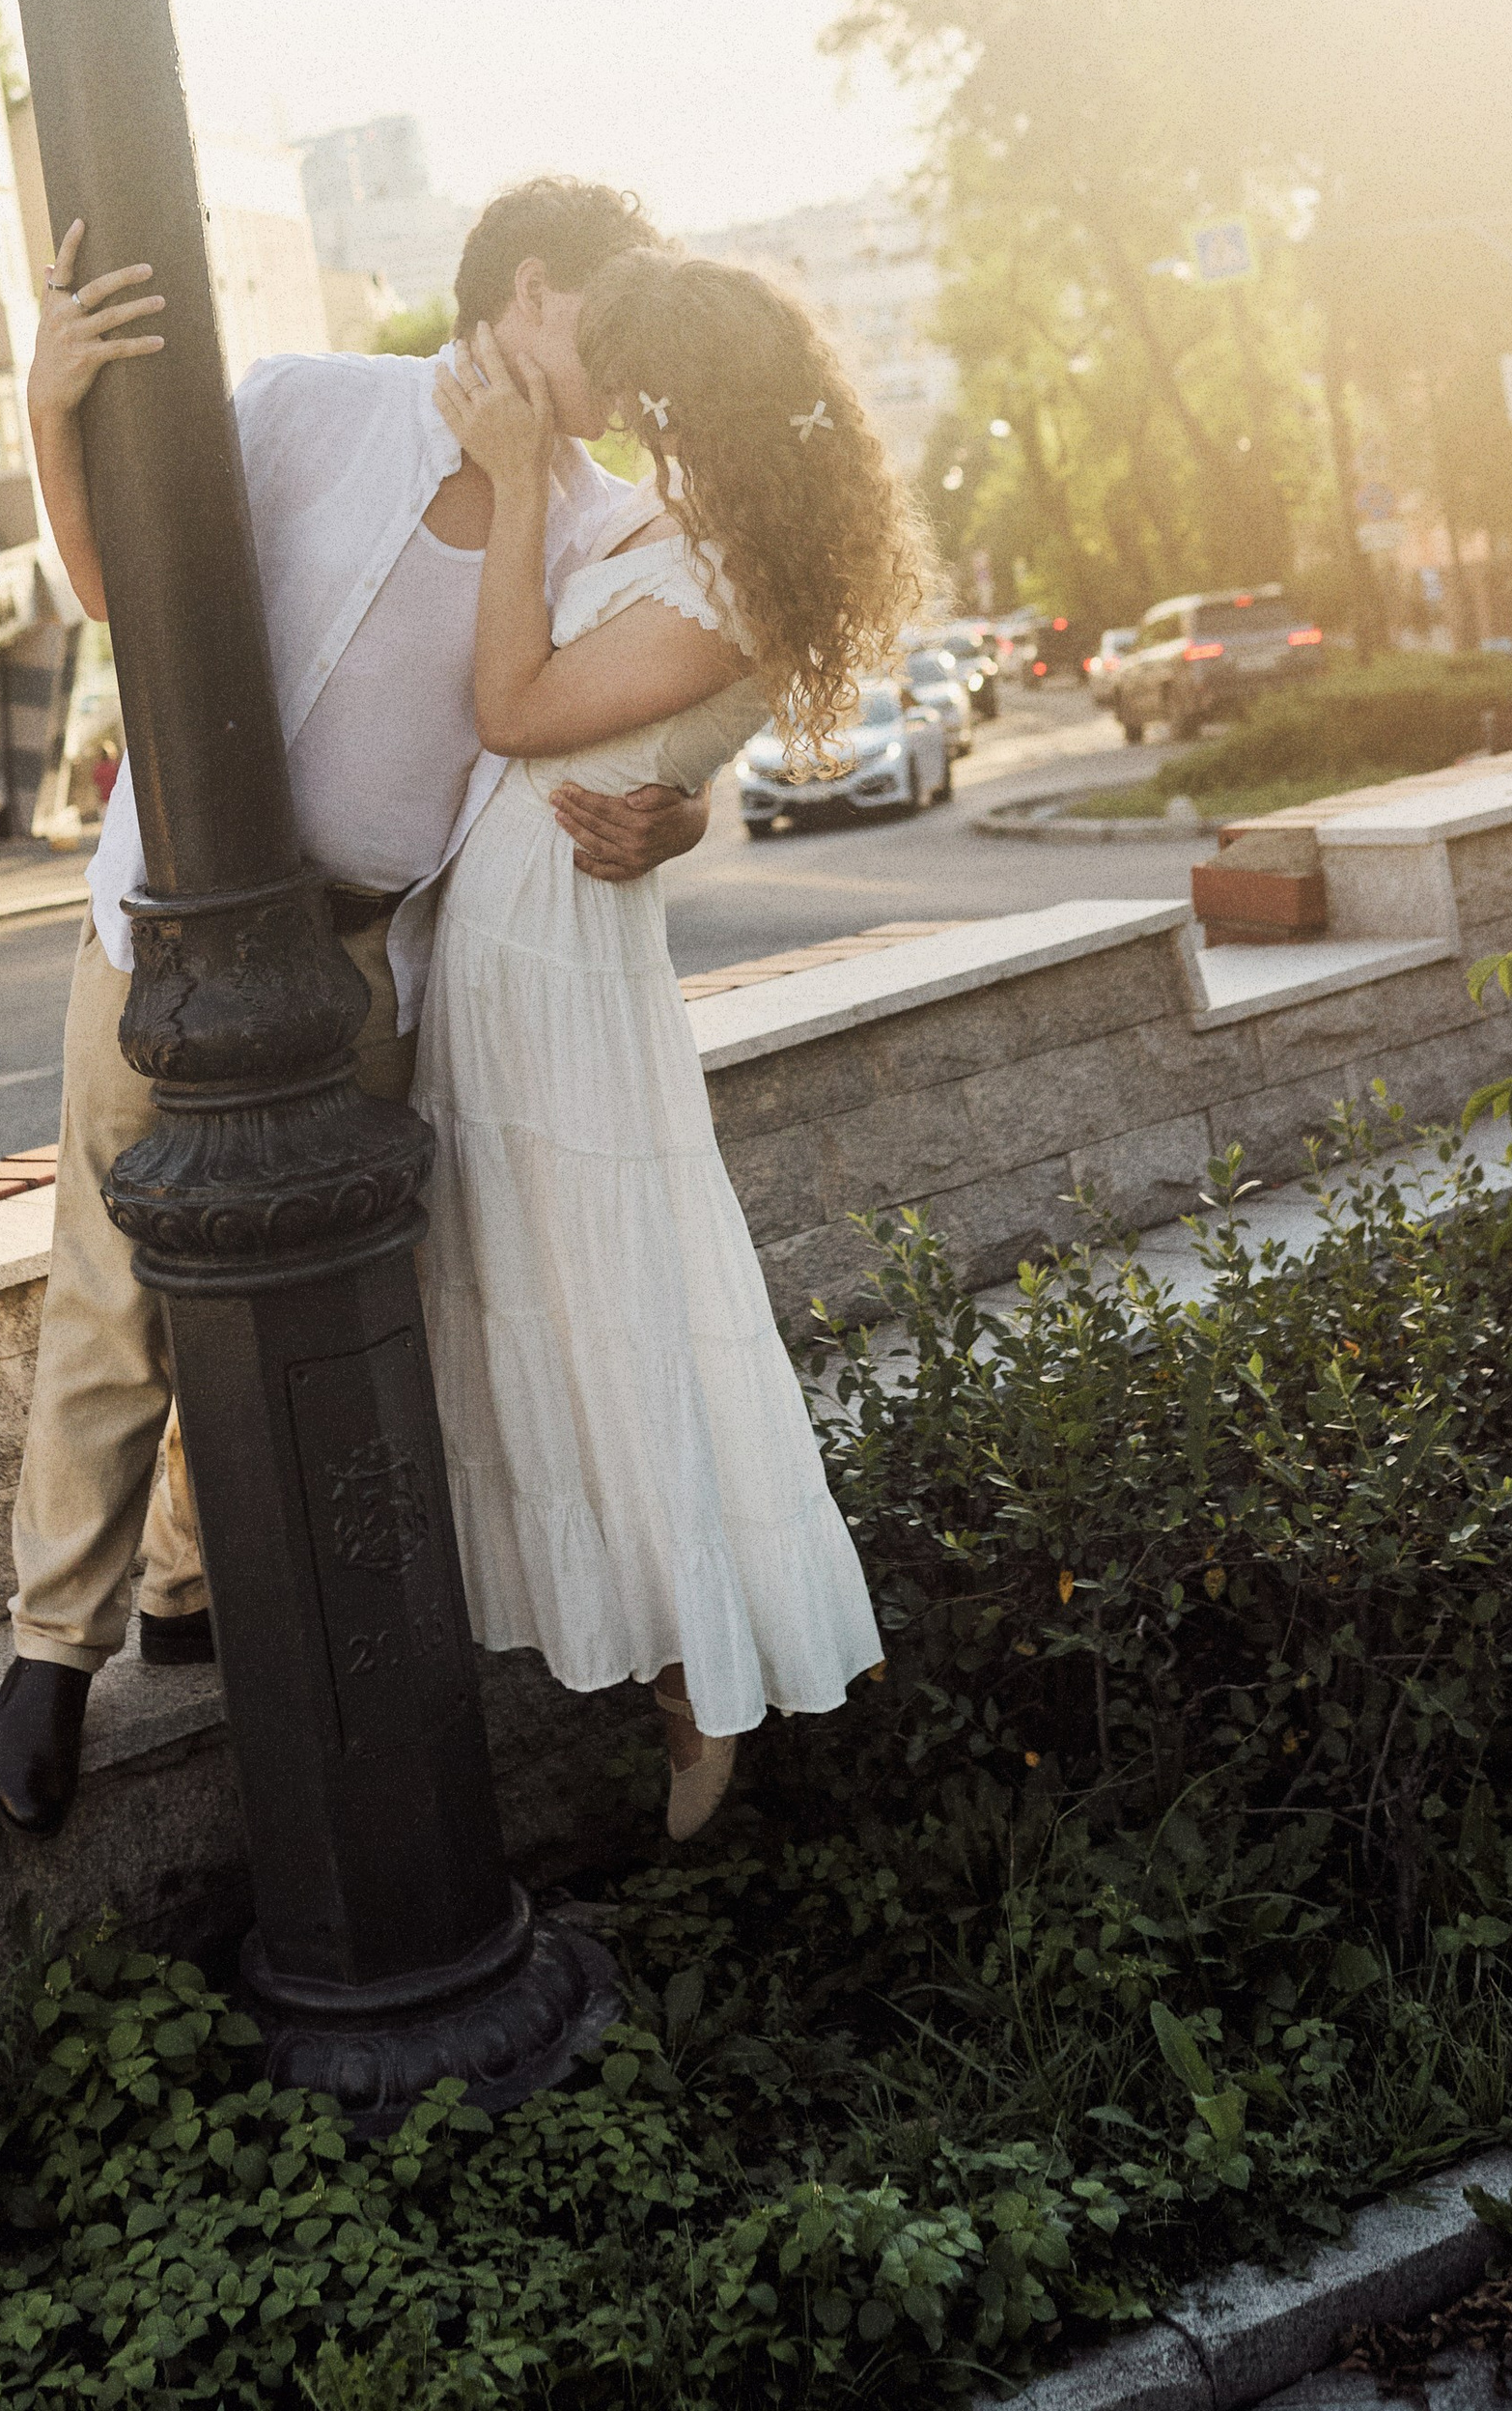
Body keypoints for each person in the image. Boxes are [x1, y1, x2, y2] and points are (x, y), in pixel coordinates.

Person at [0, 175, 714, 1840]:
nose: (641, 366)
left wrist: (680, 815)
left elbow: (642, 713)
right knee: (116, 1274)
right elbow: (126, 595)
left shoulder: (605, 526)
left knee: (301, 1289)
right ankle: (50, 1651)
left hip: (373, 965)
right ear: (530, 291)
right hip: (162, 925)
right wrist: (48, 410)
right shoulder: (313, 407)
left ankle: (184, 1575)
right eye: (617, 321)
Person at [418, 253, 926, 1837]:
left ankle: (700, 1677)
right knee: (561, 1302)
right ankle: (654, 1660)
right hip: (524, 939)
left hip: (548, 964)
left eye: (643, 382)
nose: (617, 402)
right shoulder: (705, 534)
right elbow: (650, 754)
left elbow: (512, 703)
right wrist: (681, 808)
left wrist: (509, 484)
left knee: (613, 1302)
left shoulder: (735, 575)